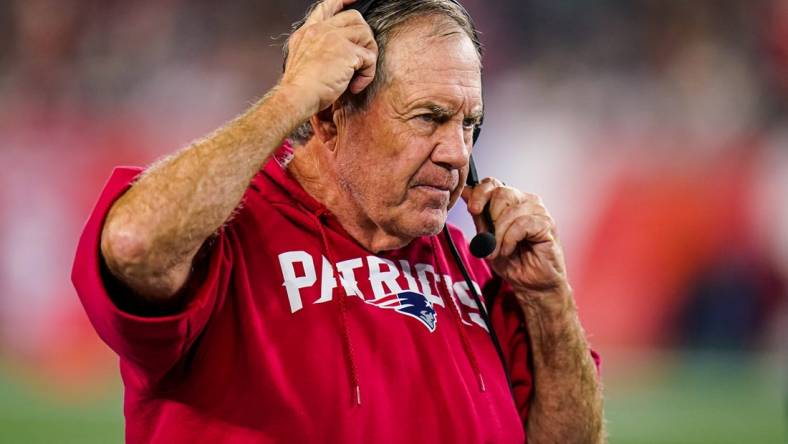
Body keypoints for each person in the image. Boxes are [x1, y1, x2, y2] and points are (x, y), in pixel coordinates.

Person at [72, 0, 605, 442]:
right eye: (429, 118)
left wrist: (549, 298)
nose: (456, 153)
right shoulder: (228, 234)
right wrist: (290, 97)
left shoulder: (479, 268)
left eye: (470, 124)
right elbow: (136, 244)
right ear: (330, 115)